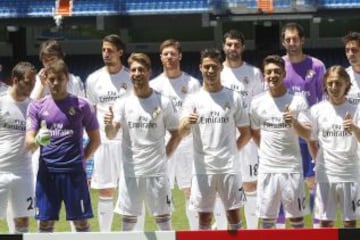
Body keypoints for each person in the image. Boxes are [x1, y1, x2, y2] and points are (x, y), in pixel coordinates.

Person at [104, 53, 181, 231]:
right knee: (127, 223)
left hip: (157, 172)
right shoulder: (123, 103)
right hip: (131, 172)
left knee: (163, 222)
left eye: (141, 69)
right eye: (133, 70)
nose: (137, 73)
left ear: (148, 72)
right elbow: (111, 133)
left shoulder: (163, 101)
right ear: (129, 73)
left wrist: (165, 156)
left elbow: (176, 133)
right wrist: (108, 124)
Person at [179, 48, 251, 230]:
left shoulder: (233, 97)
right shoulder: (192, 99)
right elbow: (180, 132)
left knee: (234, 216)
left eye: (214, 67)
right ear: (200, 68)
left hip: (229, 167)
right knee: (204, 218)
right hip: (203, 168)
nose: (210, 71)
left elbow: (246, 132)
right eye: (207, 67)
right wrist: (187, 122)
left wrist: (232, 151)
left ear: (221, 69)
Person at [25, 59, 101, 232]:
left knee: (81, 223)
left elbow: (96, 140)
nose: (56, 83)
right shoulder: (36, 106)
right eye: (52, 79)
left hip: (74, 173)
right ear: (46, 80)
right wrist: (37, 140)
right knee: (45, 223)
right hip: (47, 173)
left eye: (60, 78)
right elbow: (28, 141)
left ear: (67, 79)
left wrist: (81, 158)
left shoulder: (82, 105)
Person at [85, 34, 145, 231]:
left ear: (120, 52)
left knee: (134, 191)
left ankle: (136, 234)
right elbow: (91, 113)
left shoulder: (131, 76)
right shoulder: (93, 79)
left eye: (110, 50)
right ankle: (105, 235)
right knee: (105, 189)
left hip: (129, 143)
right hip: (105, 143)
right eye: (103, 50)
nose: (106, 53)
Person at [29, 39, 86, 232]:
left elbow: (81, 111)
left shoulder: (74, 80)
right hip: (45, 149)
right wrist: (41, 82)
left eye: (52, 58)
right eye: (44, 59)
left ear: (60, 58)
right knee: (45, 212)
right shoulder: (37, 79)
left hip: (71, 149)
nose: (48, 63)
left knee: (77, 212)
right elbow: (30, 107)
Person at [249, 55, 309, 229]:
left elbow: (307, 133)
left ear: (284, 73)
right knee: (267, 221)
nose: (272, 75)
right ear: (263, 75)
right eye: (269, 72)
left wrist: (294, 123)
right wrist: (266, 150)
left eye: (276, 71)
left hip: (291, 168)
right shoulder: (257, 103)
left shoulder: (297, 101)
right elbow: (253, 131)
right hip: (267, 168)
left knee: (297, 220)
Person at [298, 65, 360, 228]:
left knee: (350, 222)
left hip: (350, 173)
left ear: (347, 83)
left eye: (338, 83)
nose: (334, 87)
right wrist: (318, 162)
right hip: (326, 174)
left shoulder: (356, 109)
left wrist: (354, 128)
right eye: (330, 83)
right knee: (325, 222)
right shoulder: (317, 110)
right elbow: (310, 139)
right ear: (325, 84)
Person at [150, 39, 201, 229]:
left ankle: (196, 233)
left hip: (188, 145)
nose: (169, 57)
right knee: (163, 192)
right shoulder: (153, 85)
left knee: (190, 191)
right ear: (161, 57)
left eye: (173, 53)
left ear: (180, 56)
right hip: (163, 145)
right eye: (166, 54)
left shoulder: (193, 83)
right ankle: (166, 234)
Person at [281, 22, 326, 228]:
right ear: (283, 42)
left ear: (302, 40)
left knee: (314, 182)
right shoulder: (278, 66)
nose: (292, 43)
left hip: (311, 136)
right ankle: (290, 229)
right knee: (287, 185)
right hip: (286, 137)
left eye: (295, 39)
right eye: (288, 39)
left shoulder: (317, 66)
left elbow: (323, 99)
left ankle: (317, 227)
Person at [220, 29, 265, 229]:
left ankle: (253, 231)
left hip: (248, 137)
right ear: (224, 47)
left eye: (236, 45)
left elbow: (259, 107)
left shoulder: (254, 73)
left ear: (243, 47)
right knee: (225, 186)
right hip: (223, 137)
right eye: (229, 44)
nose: (233, 48)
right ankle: (228, 230)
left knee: (250, 185)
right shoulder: (217, 72)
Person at [0, 62, 37, 233]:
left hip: (24, 172)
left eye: (34, 83)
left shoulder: (34, 108)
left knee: (22, 222)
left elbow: (35, 141)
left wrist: (39, 141)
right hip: (1, 170)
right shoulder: (1, 102)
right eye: (28, 82)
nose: (32, 86)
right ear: (15, 80)